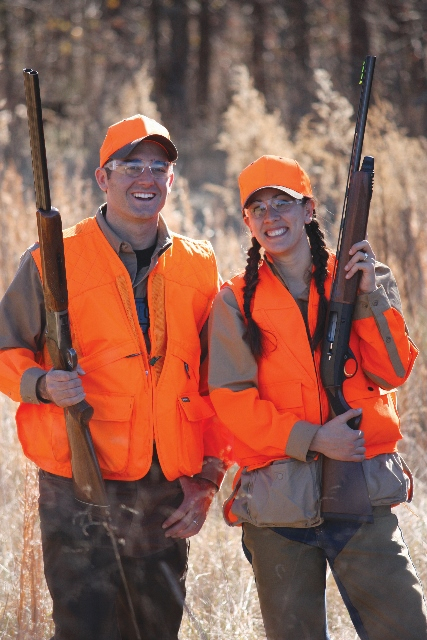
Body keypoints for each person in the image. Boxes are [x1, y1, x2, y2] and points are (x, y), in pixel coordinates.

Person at [0, 114, 229, 640]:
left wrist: (208, 481)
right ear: (103, 177)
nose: (146, 177)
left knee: (155, 631)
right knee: (85, 630)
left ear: (172, 179)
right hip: (79, 483)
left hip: (164, 489)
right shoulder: (54, 258)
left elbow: (216, 383)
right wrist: (41, 384)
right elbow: (5, 347)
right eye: (131, 165)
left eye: (159, 166)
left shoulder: (199, 264)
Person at [208, 155, 427, 640]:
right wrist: (313, 439)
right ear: (246, 221)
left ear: (308, 210)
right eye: (258, 208)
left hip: (362, 495)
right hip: (277, 505)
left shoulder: (361, 276)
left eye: (283, 203)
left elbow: (394, 370)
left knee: (406, 630)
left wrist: (370, 295)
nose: (271, 217)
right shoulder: (234, 300)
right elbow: (232, 404)